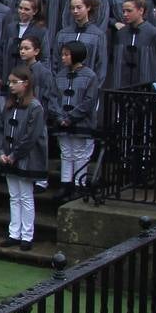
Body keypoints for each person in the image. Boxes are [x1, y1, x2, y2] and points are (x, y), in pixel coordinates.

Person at [0, 66, 48, 251]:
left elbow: (31, 136)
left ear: (25, 84)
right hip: (9, 156)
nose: (10, 85)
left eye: (14, 82)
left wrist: (14, 155)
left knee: (25, 197)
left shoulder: (35, 106)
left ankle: (27, 235)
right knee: (14, 196)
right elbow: (1, 129)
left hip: (26, 158)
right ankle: (14, 233)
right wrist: (1, 151)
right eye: (9, 82)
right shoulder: (10, 105)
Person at [52, 41, 100, 202]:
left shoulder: (90, 75)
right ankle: (66, 183)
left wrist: (71, 117)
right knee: (66, 153)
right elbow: (53, 97)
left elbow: (89, 100)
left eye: (67, 54)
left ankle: (80, 184)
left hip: (81, 123)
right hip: (62, 121)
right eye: (63, 54)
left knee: (80, 153)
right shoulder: (59, 75)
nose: (63, 58)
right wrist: (59, 117)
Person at [110, 0, 156, 90]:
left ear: (141, 10)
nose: (125, 14)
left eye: (129, 11)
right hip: (122, 85)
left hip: (145, 84)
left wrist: (152, 73)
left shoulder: (153, 34)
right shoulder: (120, 34)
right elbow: (115, 58)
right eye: (123, 11)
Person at [50, 0, 107, 86]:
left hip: (86, 84)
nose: (75, 11)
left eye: (79, 7)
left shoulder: (98, 35)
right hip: (63, 83)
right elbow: (55, 60)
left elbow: (101, 64)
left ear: (88, 7)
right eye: (72, 8)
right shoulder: (62, 34)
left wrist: (95, 87)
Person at [0, 0, 46, 92]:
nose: (22, 11)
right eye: (20, 8)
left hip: (29, 77)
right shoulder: (10, 28)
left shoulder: (41, 30)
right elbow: (2, 51)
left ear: (35, 11)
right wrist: (0, 75)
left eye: (26, 9)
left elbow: (45, 56)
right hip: (10, 73)